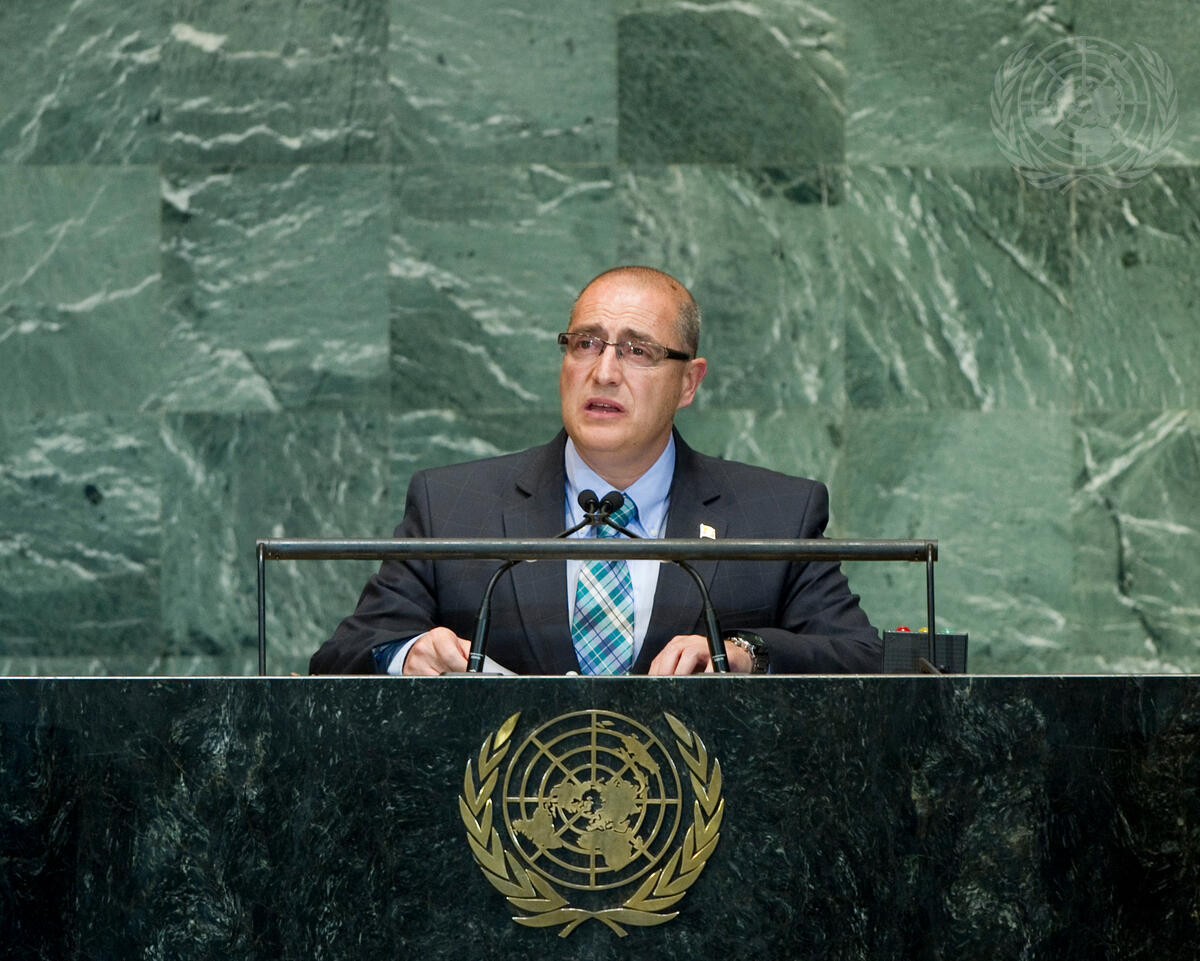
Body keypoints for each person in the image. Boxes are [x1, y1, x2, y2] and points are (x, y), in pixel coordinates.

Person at [310, 266, 881, 676]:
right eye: (585, 343)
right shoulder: (453, 504)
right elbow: (344, 655)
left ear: (688, 382)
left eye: (637, 351)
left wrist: (744, 653)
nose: (604, 372)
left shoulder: (776, 513)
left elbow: (860, 657)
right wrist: (406, 654)